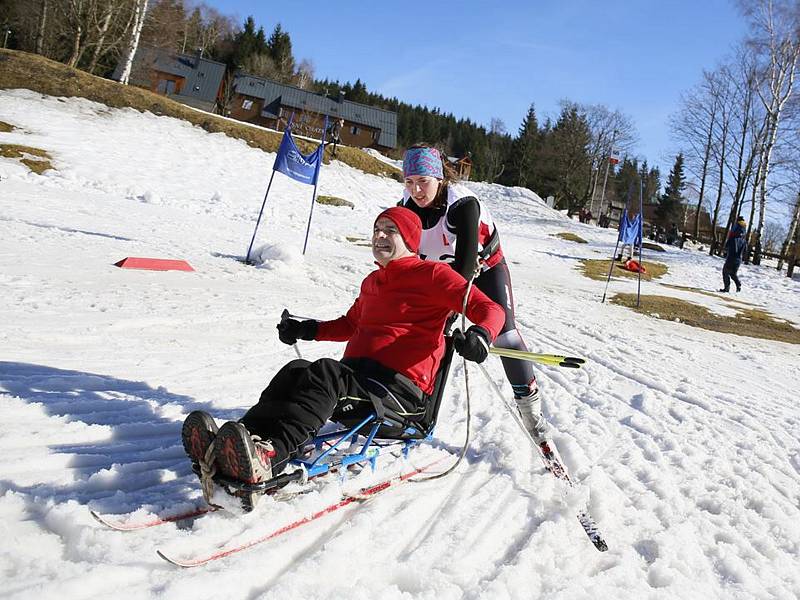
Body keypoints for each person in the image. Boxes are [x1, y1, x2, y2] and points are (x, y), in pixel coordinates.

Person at [181, 207, 505, 503]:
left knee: (326, 372)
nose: (379, 236)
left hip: (398, 394)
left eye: (390, 230)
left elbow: (490, 309)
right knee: (296, 371)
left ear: (409, 238)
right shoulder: (373, 282)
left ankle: (271, 458)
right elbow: (349, 324)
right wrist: (307, 329)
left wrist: (481, 334)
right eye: (376, 229)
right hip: (359, 382)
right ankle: (238, 443)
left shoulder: (433, 275)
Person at [397, 143, 551, 446]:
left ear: (439, 178)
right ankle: (412, 403)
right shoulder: (407, 209)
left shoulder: (463, 205)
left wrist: (465, 322)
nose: (416, 190)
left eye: (423, 182)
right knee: (423, 329)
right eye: (410, 182)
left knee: (505, 334)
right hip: (442, 270)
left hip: (484, 268)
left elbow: (465, 268)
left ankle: (532, 415)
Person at [719, 216, 747, 292]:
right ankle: (738, 284)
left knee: (725, 272)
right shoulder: (744, 239)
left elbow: (727, 246)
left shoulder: (733, 236)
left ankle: (726, 288)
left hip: (731, 257)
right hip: (738, 259)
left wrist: (725, 251)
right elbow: (745, 251)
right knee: (733, 273)